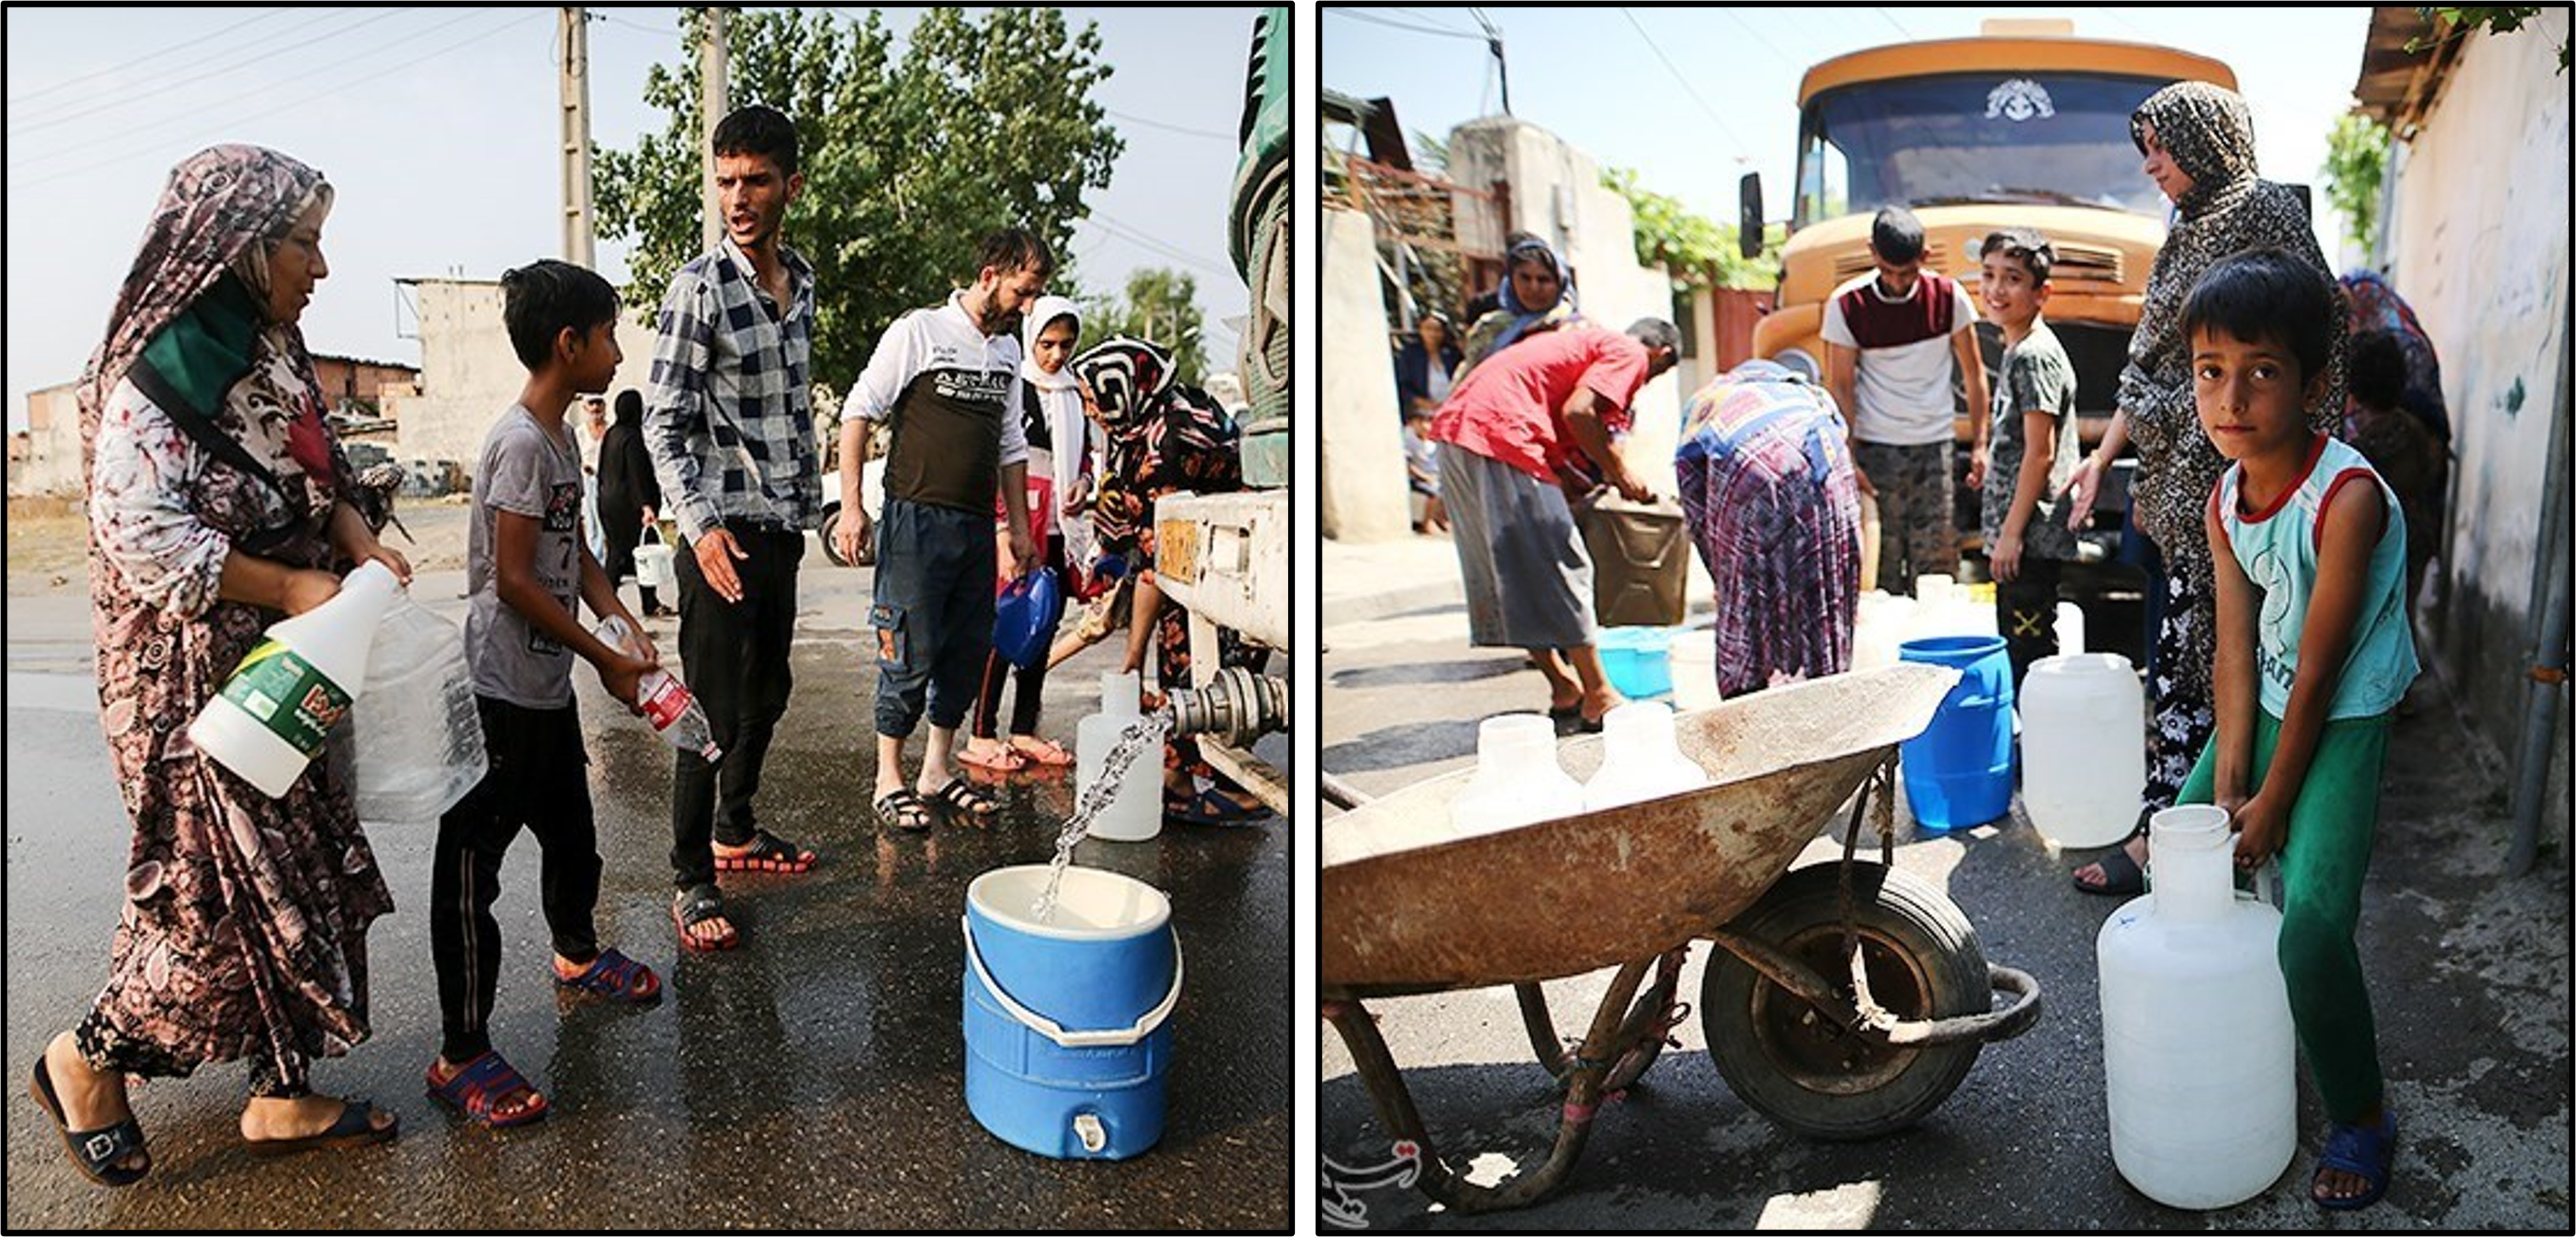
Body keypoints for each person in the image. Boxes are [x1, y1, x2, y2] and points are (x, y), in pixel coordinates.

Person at [38, 145, 406, 1184]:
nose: (321, 268)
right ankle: (87, 1060)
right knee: (214, 897)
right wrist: (287, 586)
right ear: (241, 248)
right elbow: (137, 532)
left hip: (289, 662)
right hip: (194, 684)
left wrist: (355, 537)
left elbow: (316, 468)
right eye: (306, 243)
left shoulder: (275, 351)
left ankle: (281, 1093)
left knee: (300, 874)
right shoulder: (155, 376)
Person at [2060, 81, 2347, 896]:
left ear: (2203, 139)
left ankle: (2195, 832)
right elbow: (2154, 362)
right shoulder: (2192, 225)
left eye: (2160, 145)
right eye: (2143, 148)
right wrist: (2109, 457)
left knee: (2221, 659)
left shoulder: (2259, 217)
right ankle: (2190, 822)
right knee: (2185, 654)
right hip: (2178, 479)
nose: (2150, 164)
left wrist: (2240, 468)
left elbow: (2290, 355)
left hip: (2236, 480)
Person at [2179, 248, 2415, 1209]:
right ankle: (2247, 1039)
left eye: (2262, 370)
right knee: (2180, 853)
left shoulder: (2345, 498)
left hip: (2344, 713)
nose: (2230, 397)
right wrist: (2232, 782)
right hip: (2269, 693)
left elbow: (2320, 671)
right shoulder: (2225, 495)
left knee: (2312, 930)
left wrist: (2274, 801)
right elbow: (2236, 653)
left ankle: (2362, 1112)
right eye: (2210, 371)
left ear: (2314, 385)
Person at [426, 261, 665, 1129]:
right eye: (608, 334)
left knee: (574, 836)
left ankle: (575, 953)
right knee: (469, 870)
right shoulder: (521, 441)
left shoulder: (562, 436)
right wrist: (601, 661)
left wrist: (616, 621)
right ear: (570, 346)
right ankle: (460, 1051)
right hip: (499, 691)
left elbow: (579, 556)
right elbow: (519, 580)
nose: (618, 349)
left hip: (546, 688)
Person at [644, 104, 826, 951]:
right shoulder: (699, 288)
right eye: (725, 182)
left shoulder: (804, 281)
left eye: (755, 180)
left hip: (781, 527)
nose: (738, 198)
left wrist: (815, 507)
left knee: (770, 693)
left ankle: (737, 827)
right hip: (718, 534)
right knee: (710, 711)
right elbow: (663, 422)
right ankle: (691, 876)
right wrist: (699, 526)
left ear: (790, 183)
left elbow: (793, 409)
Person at [834, 228, 1045, 832]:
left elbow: (1010, 445)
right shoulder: (919, 332)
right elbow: (858, 410)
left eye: (1035, 295)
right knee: (907, 647)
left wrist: (1019, 528)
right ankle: (888, 777)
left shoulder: (1007, 351)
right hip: (914, 519)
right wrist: (852, 508)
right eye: (1023, 292)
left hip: (976, 525)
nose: (1028, 306)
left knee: (965, 648)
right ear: (989, 277)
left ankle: (936, 770)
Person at [1427, 318, 1682, 731]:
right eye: (1652, 377)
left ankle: (1564, 687)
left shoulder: (1576, 342)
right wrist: (1618, 471)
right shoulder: (1629, 351)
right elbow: (1579, 412)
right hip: (1502, 433)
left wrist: (1578, 482)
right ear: (1662, 355)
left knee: (1510, 571)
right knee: (1560, 561)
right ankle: (1599, 694)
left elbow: (1565, 428)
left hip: (1459, 433)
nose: (1640, 384)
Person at [1074, 336, 1271, 824]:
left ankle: (1239, 787)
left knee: (1221, 681)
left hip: (1232, 570)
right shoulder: (1145, 421)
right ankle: (1176, 778)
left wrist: (1131, 652)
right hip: (1196, 566)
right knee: (1180, 673)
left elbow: (1158, 556)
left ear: (1124, 389)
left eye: (1091, 397)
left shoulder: (1170, 441)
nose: (1088, 408)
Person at [1823, 205, 1988, 596]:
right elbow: (1841, 387)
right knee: (1880, 565)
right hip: (1878, 450)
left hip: (1935, 448)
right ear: (1872, 253)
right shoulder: (1847, 305)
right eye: (1889, 272)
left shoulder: (1948, 297)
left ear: (1925, 257)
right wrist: (1847, 457)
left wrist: (1981, 443)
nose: (1898, 283)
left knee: (1936, 565)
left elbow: (1974, 372)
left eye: (1908, 272)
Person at [1672, 359, 1862, 696]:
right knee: (1824, 586)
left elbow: (1695, 504)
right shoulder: (1808, 392)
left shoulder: (1705, 404)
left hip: (1749, 468)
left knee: (1747, 596)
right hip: (1824, 455)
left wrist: (1723, 575)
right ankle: (1825, 689)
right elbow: (1845, 533)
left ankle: (1748, 695)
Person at [962, 295, 1083, 774]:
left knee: (1042, 627)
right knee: (1004, 629)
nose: (1056, 355)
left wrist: (1085, 482)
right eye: (1048, 344)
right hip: (1019, 524)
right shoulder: (1016, 386)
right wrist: (1004, 529)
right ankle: (981, 732)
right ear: (1031, 336)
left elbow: (1087, 456)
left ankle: (1025, 728)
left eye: (1066, 345)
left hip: (1059, 528)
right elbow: (999, 460)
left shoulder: (1074, 393)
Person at [1968, 228, 2082, 690]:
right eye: (1989, 275)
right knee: (2018, 645)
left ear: (2042, 293)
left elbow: (2041, 452)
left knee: (2029, 653)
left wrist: (2011, 534)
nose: (1997, 289)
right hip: (2019, 533)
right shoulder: (2017, 346)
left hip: (2030, 537)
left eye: (2012, 278)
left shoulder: (2035, 355)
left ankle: (2037, 753)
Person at [2342, 330, 2445, 624]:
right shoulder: (2414, 425)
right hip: (2418, 538)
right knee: (2401, 619)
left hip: (2385, 545)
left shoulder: (2361, 450)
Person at [1452, 234, 1584, 384]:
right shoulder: (1490, 328)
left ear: (1561, 284)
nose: (1534, 288)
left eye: (1544, 280)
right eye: (1525, 278)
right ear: (1511, 281)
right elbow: (1466, 383)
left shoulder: (1576, 331)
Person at [597, 389, 673, 618]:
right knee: (644, 553)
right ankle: (648, 603)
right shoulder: (633, 437)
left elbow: (602, 470)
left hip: (608, 502)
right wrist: (646, 506)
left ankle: (606, 604)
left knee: (617, 554)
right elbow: (637, 475)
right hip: (629, 506)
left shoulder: (612, 433)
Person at [1394, 312, 1462, 417]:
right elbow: (1403, 386)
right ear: (1421, 330)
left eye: (1437, 330)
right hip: (1421, 412)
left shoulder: (1452, 354)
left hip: (1451, 409)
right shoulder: (1410, 354)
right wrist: (1420, 403)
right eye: (1428, 329)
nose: (1432, 334)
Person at [1401, 405, 1448, 534]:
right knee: (1434, 491)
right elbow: (1408, 465)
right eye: (1420, 422)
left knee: (1448, 489)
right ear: (1412, 424)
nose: (1425, 426)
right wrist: (1424, 477)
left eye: (1428, 422)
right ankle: (1427, 523)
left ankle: (1441, 519)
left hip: (1434, 476)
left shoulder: (1433, 442)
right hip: (1417, 478)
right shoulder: (1408, 440)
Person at [576, 393, 610, 564]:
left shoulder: (610, 430)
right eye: (592, 403)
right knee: (592, 522)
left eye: (599, 403)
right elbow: (575, 458)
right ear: (585, 407)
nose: (596, 407)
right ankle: (596, 561)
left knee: (609, 521)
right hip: (589, 481)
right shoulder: (580, 433)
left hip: (609, 480)